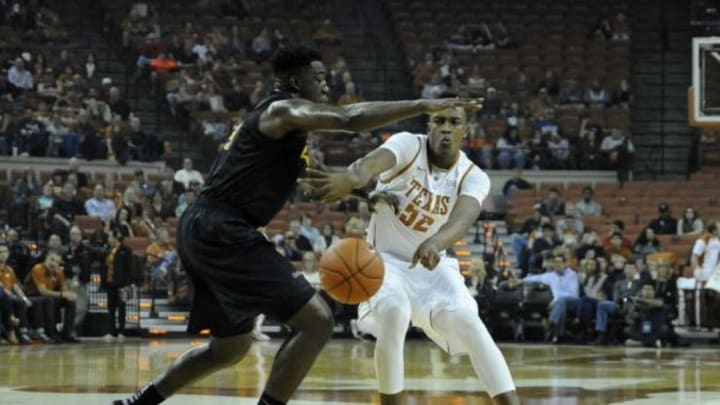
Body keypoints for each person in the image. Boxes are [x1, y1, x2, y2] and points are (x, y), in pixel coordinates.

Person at [113, 44, 477, 405]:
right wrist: (423, 106)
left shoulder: (285, 132)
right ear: (292, 81)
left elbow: (312, 179)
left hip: (206, 227)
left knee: (228, 348)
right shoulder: (281, 110)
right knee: (317, 322)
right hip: (222, 228)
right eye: (317, 78)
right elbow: (348, 119)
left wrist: (368, 195)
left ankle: (138, 404)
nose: (324, 84)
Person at [300, 105, 518, 404]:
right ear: (429, 126)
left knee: (471, 325)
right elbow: (365, 167)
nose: (445, 127)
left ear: (464, 132)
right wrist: (349, 180)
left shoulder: (473, 176)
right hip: (383, 263)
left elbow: (463, 218)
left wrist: (437, 242)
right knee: (395, 310)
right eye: (438, 120)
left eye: (454, 122)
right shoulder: (407, 145)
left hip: (432, 267)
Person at [102, 230, 133, 342]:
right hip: (110, 283)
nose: (108, 239)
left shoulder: (126, 250)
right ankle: (111, 331)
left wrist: (127, 284)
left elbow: (129, 269)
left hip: (122, 284)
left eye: (110, 237)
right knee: (110, 308)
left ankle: (121, 331)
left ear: (116, 238)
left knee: (122, 308)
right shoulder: (107, 251)